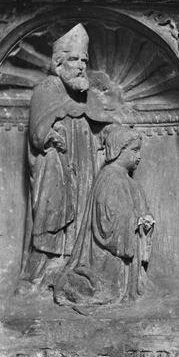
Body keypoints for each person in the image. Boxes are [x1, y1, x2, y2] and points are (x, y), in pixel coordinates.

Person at [20, 24, 119, 284]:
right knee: (54, 215)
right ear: (58, 63)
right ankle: (46, 271)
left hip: (85, 166)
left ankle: (75, 265)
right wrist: (51, 135)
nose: (80, 66)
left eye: (84, 60)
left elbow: (103, 124)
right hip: (58, 166)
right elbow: (37, 133)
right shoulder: (46, 89)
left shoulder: (86, 95)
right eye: (74, 59)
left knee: (84, 215)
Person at [54, 125, 154, 307]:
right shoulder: (109, 178)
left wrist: (146, 222)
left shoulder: (129, 182)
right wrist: (134, 221)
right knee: (102, 290)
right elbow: (106, 221)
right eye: (135, 150)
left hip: (123, 256)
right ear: (118, 150)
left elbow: (138, 210)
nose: (139, 156)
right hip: (106, 257)